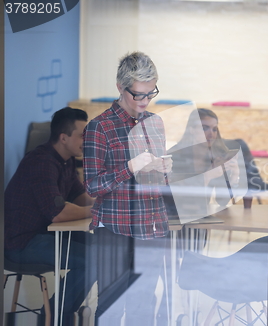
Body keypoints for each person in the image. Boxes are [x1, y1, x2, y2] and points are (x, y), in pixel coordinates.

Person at [83, 52, 172, 325]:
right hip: (114, 230)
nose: (145, 101)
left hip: (152, 227)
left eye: (150, 93)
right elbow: (92, 186)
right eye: (138, 94)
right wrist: (129, 169)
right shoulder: (99, 127)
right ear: (120, 88)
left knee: (145, 305)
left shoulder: (155, 123)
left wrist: (165, 171)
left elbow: (159, 185)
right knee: (110, 306)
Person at [4, 107, 95, 326]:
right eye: (83, 135)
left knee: (103, 247)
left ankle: (58, 314)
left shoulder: (65, 160)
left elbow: (80, 196)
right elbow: (58, 213)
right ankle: (54, 317)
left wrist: (108, 203)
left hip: (43, 235)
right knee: (92, 261)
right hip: (21, 243)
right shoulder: (42, 163)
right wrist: (98, 210)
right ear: (64, 138)